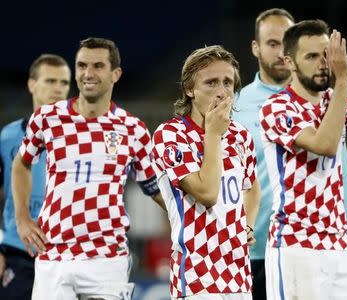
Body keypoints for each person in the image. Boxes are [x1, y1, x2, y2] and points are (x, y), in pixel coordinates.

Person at [11, 37, 163, 300]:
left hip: (106, 258)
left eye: (97, 66)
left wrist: (193, 221)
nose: (87, 73)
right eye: (81, 66)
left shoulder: (133, 128)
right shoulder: (47, 118)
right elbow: (21, 163)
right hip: (54, 254)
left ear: (116, 74)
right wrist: (22, 218)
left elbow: (155, 188)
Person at [234, 8, 347, 299]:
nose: (282, 50)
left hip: (323, 243)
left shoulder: (328, 101)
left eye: (287, 41)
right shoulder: (237, 106)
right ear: (255, 48)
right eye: (273, 43)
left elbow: (340, 172)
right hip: (254, 244)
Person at [259, 20, 347, 299]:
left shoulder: (334, 100)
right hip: (297, 247)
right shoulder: (277, 108)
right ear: (290, 62)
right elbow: (325, 144)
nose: (323, 63)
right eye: (311, 56)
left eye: (326, 55)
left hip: (339, 245)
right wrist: (344, 80)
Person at [152, 45, 260, 299]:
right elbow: (207, 192)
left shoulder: (240, 135)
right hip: (196, 277)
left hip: (238, 274)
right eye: (211, 83)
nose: (222, 92)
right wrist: (213, 134)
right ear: (190, 89)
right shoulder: (171, 135)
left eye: (227, 83)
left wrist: (249, 226)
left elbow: (252, 187)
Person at [0, 54, 71, 299]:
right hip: (18, 254)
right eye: (50, 81)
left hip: (66, 256)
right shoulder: (7, 137)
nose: (58, 89)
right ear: (32, 84)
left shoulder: (80, 138)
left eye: (64, 82)